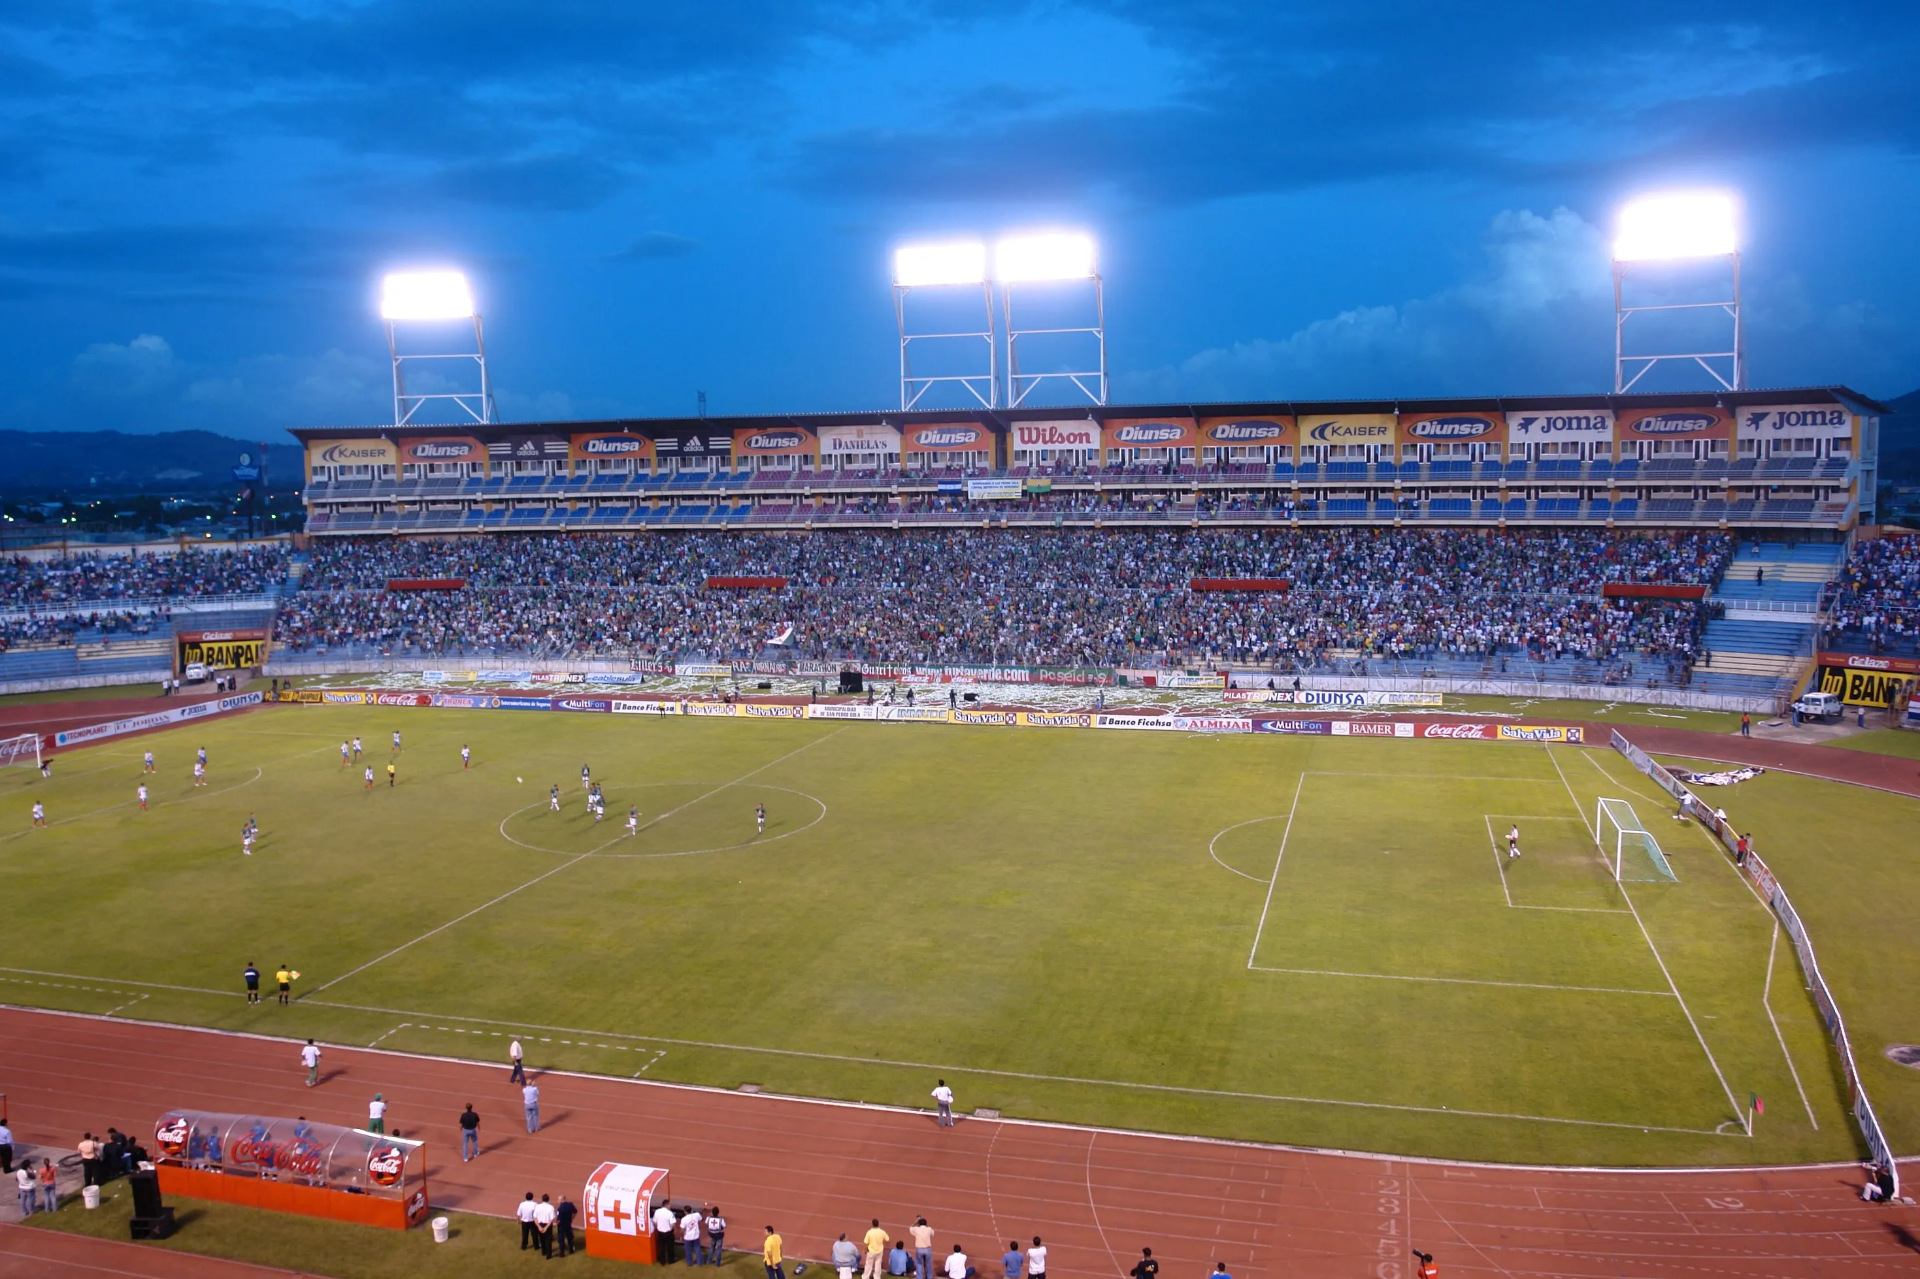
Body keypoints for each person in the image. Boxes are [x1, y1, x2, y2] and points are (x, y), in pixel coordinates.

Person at [533, 1193, 557, 1258]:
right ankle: (548, 1254)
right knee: (548, 1240)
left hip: (540, 1224)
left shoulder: (538, 1206)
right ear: (548, 1199)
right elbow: (552, 1219)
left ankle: (543, 1252)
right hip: (547, 1225)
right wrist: (546, 1227)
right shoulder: (550, 1207)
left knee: (541, 1239)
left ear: (542, 1199)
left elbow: (535, 1217)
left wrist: (539, 1226)